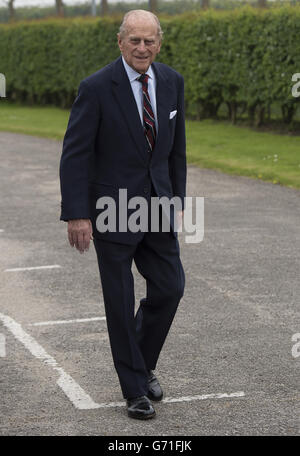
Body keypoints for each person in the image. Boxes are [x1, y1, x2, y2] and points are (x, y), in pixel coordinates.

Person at [59, 9, 186, 420]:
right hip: (112, 210)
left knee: (169, 288)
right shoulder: (96, 87)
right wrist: (78, 214)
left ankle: (141, 363)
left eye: (149, 41)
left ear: (159, 43)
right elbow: (75, 154)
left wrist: (177, 201)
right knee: (120, 298)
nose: (142, 48)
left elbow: (176, 151)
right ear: (120, 42)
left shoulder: (171, 82)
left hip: (157, 208)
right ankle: (135, 389)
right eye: (134, 40)